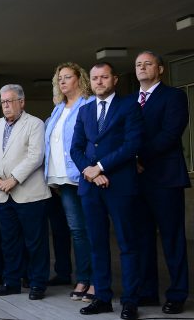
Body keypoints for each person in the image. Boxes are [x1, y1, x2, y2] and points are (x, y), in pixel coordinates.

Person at [71, 61, 143, 320]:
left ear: (114, 80)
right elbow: (76, 148)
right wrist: (90, 172)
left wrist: (99, 167)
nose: (99, 82)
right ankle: (102, 297)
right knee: (96, 243)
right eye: (95, 78)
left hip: (120, 185)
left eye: (104, 77)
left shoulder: (129, 106)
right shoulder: (85, 110)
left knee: (127, 244)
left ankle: (130, 301)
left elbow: (132, 144)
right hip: (90, 188)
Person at [135, 51, 189, 314]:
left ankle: (177, 294)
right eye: (138, 64)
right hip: (137, 181)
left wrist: (139, 157)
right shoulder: (129, 101)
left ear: (160, 69)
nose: (142, 68)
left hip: (165, 178)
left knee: (172, 239)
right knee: (142, 238)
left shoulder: (174, 96)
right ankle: (147, 292)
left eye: (148, 64)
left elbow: (170, 134)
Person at [0, 85, 51, 300]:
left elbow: (35, 156)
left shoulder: (35, 124)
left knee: (35, 241)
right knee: (9, 241)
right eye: (3, 102)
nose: (6, 106)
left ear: (21, 102)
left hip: (29, 192)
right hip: (2, 193)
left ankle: (37, 283)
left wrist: (12, 179)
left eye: (10, 101)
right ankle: (11, 282)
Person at [43, 63, 95, 300]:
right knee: (76, 231)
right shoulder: (58, 109)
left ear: (79, 79)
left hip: (81, 176)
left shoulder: (89, 104)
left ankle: (93, 279)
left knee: (89, 229)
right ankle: (84, 278)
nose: (62, 82)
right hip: (61, 179)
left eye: (67, 77)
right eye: (59, 78)